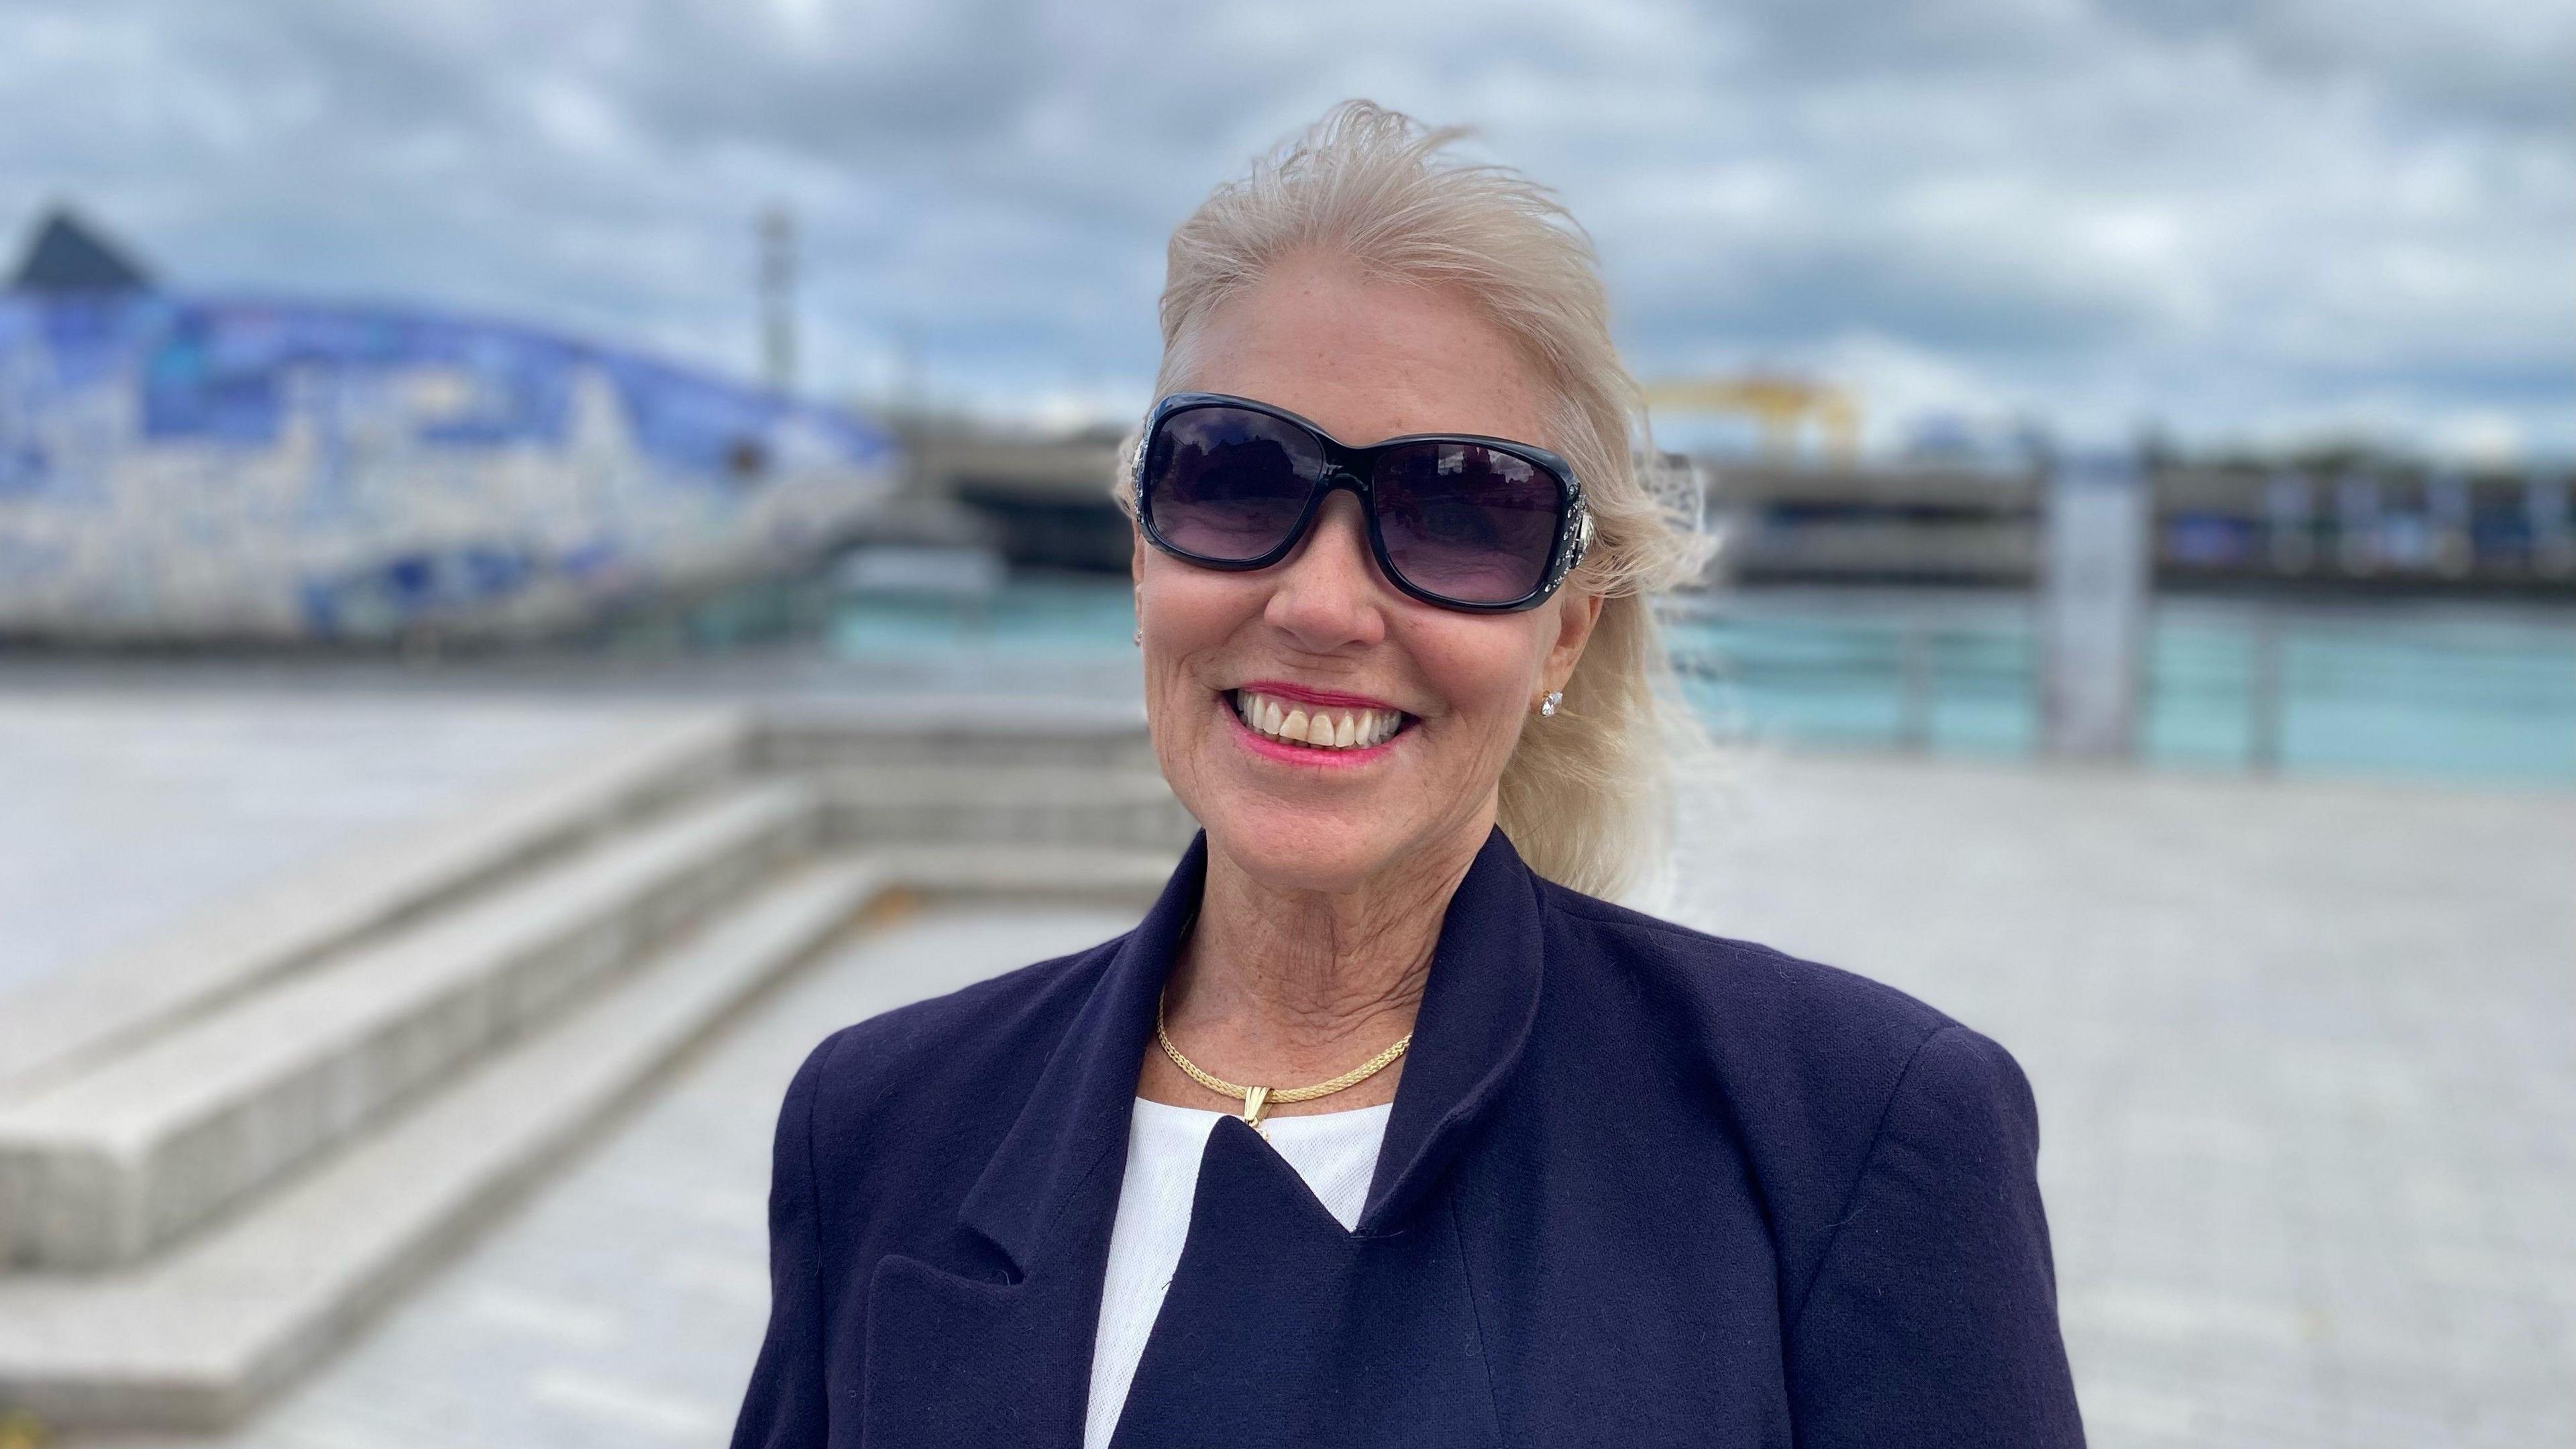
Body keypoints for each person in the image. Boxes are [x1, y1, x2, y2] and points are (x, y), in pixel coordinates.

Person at [728, 100, 2084, 1449]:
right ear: (1144, 553)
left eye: (1463, 511)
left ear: (1567, 624)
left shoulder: (1857, 1139)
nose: (1322, 605)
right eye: (1235, 478)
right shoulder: (878, 1124)